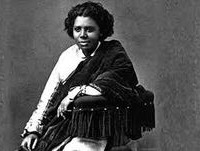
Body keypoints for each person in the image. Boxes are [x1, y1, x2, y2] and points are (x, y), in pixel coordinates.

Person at [17, 1, 154, 151]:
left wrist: (74, 93)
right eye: (77, 29)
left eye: (89, 29)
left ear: (101, 31)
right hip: (61, 125)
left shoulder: (114, 53)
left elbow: (112, 81)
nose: (82, 35)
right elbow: (47, 99)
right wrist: (33, 131)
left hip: (97, 129)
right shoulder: (67, 56)